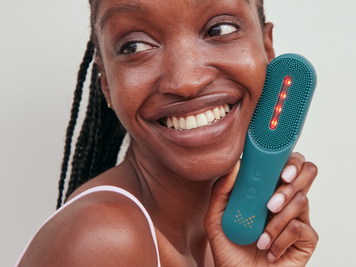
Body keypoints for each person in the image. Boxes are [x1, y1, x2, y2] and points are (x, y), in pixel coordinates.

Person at [16, 0, 319, 266]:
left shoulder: (224, 237)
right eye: (134, 46)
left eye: (219, 29)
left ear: (267, 48)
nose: (186, 81)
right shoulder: (104, 239)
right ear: (107, 83)